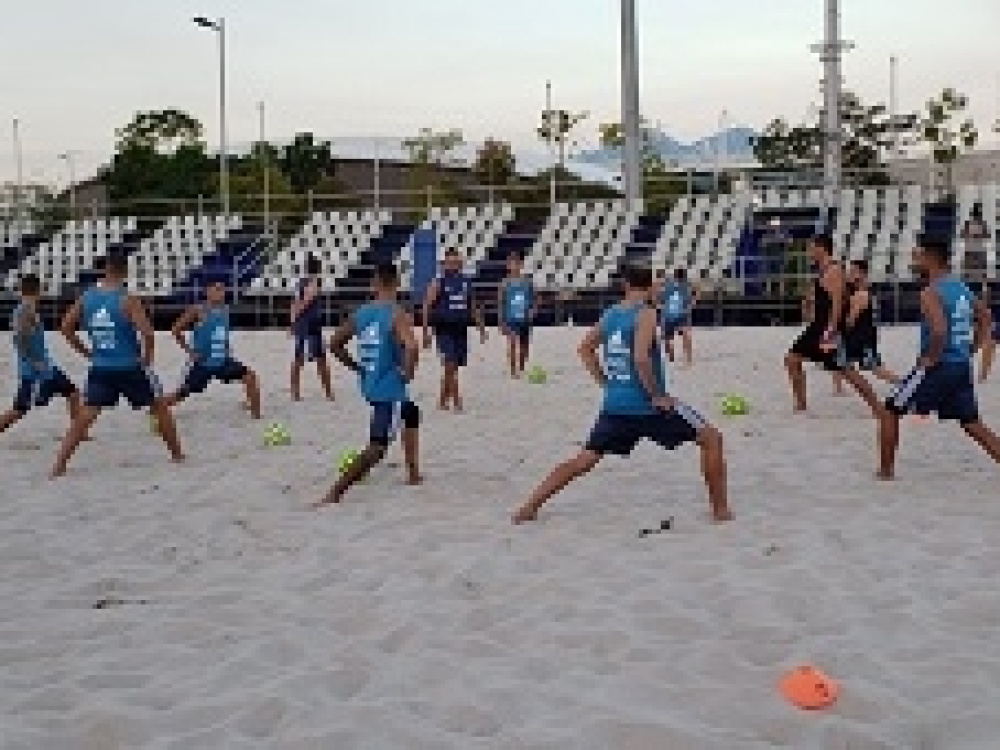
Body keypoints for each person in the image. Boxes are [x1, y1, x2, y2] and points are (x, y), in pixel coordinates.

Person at [512, 264, 732, 525]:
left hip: (615, 406)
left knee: (584, 460)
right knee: (712, 438)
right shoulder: (646, 313)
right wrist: (657, 396)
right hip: (648, 407)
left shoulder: (611, 314)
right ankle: (720, 511)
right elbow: (640, 358)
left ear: (625, 285)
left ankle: (530, 506)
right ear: (650, 285)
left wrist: (606, 383)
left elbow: (585, 349)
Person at [50, 252, 184, 477]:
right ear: (125, 272)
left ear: (105, 269)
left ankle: (60, 465)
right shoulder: (127, 299)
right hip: (130, 366)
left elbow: (65, 327)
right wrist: (148, 357)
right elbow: (147, 333)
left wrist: (85, 351)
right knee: (160, 408)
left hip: (101, 366)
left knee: (86, 416)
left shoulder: (87, 297)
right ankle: (177, 454)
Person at [880, 236, 1000, 478]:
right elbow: (986, 317)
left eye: (918, 255)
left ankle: (885, 471)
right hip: (960, 365)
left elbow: (939, 330)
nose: (914, 260)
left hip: (940, 365)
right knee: (971, 423)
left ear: (929, 258)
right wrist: (971, 348)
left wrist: (932, 357)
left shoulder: (931, 292)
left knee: (890, 410)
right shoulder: (961, 287)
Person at [314, 262, 421, 507]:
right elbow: (413, 347)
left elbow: (334, 344)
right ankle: (335, 492)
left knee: (411, 413)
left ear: (374, 285)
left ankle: (413, 474)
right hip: (389, 390)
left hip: (369, 385)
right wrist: (408, 373)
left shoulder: (361, 313)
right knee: (377, 449)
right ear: (397, 283)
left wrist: (357, 367)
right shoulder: (397, 314)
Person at [785, 235, 884, 415]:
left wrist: (831, 330)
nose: (809, 252)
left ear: (821, 248)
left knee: (846, 370)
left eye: (811, 248)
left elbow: (838, 302)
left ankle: (877, 407)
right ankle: (801, 405)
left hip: (826, 328)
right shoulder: (823, 270)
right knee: (792, 359)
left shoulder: (834, 270)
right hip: (818, 326)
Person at [1, 274, 86, 439]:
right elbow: (20, 338)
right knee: (19, 410)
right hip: (35, 371)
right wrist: (33, 361)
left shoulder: (29, 309)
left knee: (73, 393)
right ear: (38, 290)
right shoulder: (25, 310)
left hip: (48, 366)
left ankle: (77, 433)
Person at [163, 280, 261, 419]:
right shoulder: (198, 310)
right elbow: (175, 330)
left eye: (222, 289)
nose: (220, 293)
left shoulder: (225, 310)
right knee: (181, 395)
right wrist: (190, 351)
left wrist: (226, 346)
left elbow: (221, 332)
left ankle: (256, 416)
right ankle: (157, 409)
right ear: (208, 292)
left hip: (222, 360)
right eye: (216, 289)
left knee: (250, 377)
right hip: (202, 362)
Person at [421, 248, 487, 411]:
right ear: (444, 264)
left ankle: (442, 400)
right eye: (449, 263)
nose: (453, 265)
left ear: (461, 263)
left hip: (461, 328)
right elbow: (426, 306)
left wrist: (481, 328)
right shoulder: (438, 282)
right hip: (443, 328)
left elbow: (473, 306)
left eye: (456, 262)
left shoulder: (466, 282)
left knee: (453, 367)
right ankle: (457, 401)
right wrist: (425, 332)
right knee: (449, 364)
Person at [832, 260, 899, 394]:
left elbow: (850, 320)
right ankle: (838, 389)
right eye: (850, 271)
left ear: (862, 274)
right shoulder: (857, 290)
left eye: (853, 271)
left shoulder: (862, 294)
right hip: (856, 336)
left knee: (876, 369)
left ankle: (903, 383)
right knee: (839, 361)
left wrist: (837, 327)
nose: (850, 274)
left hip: (862, 339)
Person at [290, 253, 333, 402]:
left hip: (301, 323)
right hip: (311, 322)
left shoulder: (299, 283)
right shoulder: (314, 281)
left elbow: (295, 302)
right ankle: (328, 393)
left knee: (298, 357)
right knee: (320, 359)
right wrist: (298, 313)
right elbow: (307, 300)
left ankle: (295, 392)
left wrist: (293, 320)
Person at [498, 251, 537, 378]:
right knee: (512, 343)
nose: (514, 266)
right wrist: (501, 321)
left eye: (516, 263)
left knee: (524, 346)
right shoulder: (505, 283)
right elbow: (501, 302)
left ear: (521, 265)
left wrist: (533, 310)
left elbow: (535, 298)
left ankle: (521, 368)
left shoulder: (527, 281)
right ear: (508, 266)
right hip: (510, 318)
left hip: (525, 318)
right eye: (511, 264)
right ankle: (513, 371)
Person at [658, 267, 698, 367]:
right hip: (671, 315)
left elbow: (660, 299)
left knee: (683, 335)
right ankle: (680, 358)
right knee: (670, 339)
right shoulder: (674, 286)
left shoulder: (681, 287)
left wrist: (691, 304)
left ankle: (687, 358)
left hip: (676, 315)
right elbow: (660, 299)